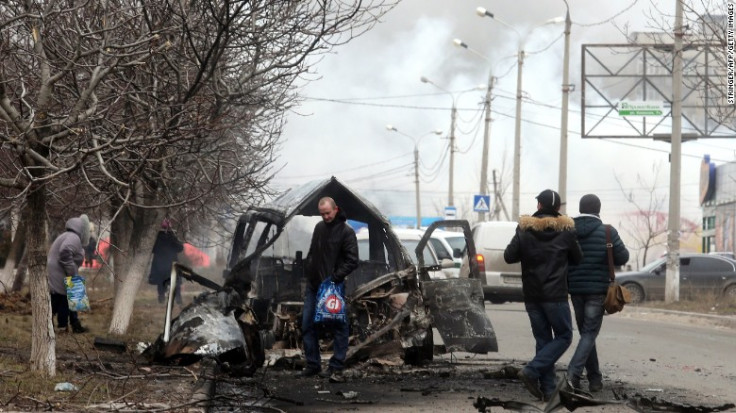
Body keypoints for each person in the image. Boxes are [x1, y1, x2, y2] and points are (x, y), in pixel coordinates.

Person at [504, 189, 582, 401]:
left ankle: (548, 390)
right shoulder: (566, 231)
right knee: (565, 336)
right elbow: (578, 258)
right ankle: (532, 370)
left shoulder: (524, 229)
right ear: (558, 209)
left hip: (532, 294)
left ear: (538, 205)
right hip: (555, 294)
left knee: (543, 339)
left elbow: (509, 256)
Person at [567, 194, 629, 392]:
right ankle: (572, 374)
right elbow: (623, 257)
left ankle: (595, 379)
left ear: (580, 208)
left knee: (587, 334)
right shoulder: (607, 232)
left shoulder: (569, 231)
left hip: (575, 289)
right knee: (590, 333)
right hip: (597, 290)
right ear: (598, 210)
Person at [297, 197, 358, 383]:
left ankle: (336, 366)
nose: (325, 217)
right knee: (307, 324)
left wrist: (334, 278)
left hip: (333, 287)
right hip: (314, 286)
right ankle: (313, 364)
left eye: (328, 213)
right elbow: (312, 253)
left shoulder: (346, 232)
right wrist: (308, 271)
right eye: (322, 214)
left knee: (339, 325)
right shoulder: (319, 228)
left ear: (336, 209)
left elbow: (353, 261)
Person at [48, 214, 90, 334]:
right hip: (61, 270)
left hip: (61, 270)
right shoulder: (73, 237)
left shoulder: (69, 236)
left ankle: (75, 323)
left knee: (73, 293)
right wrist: (71, 271)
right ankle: (62, 326)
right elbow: (65, 251)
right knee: (64, 298)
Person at [148, 219, 184, 305]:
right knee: (175, 281)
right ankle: (178, 298)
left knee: (161, 282)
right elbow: (180, 248)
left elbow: (152, 249)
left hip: (159, 264)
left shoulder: (156, 237)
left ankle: (161, 297)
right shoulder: (172, 237)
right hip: (172, 263)